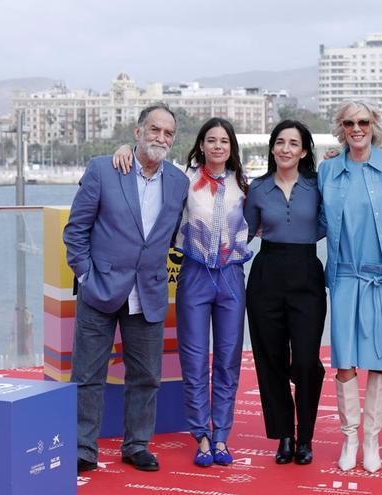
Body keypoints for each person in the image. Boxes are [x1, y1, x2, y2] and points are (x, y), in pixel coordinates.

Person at [114, 117, 251, 468]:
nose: (218, 146)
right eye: (211, 140)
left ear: (231, 146)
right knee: (193, 360)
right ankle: (201, 436)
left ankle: (221, 435)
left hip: (232, 277)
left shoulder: (247, 185)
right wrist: (124, 150)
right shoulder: (182, 181)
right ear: (201, 145)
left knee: (227, 360)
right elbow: (147, 174)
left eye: (224, 140)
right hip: (194, 275)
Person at [64, 103, 190, 474]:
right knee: (87, 375)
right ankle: (83, 448)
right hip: (99, 289)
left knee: (147, 376)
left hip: (148, 292)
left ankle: (136, 445)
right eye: (154, 129)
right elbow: (76, 230)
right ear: (137, 132)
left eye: (168, 133)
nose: (160, 138)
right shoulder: (105, 169)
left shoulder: (179, 182)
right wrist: (85, 275)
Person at [318, 101, 382, 473]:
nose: (357, 128)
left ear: (374, 125)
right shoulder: (327, 169)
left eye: (364, 121)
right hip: (344, 277)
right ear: (340, 127)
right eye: (349, 122)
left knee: (379, 362)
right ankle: (350, 435)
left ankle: (372, 438)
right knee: (345, 361)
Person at [244, 120, 327, 465]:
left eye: (294, 143)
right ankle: (286, 436)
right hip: (266, 275)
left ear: (304, 150)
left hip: (307, 274)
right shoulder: (258, 188)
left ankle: (306, 434)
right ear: (272, 148)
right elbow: (243, 232)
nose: (286, 149)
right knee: (271, 360)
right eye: (280, 142)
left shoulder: (319, 185)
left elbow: (327, 224)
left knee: (307, 361)